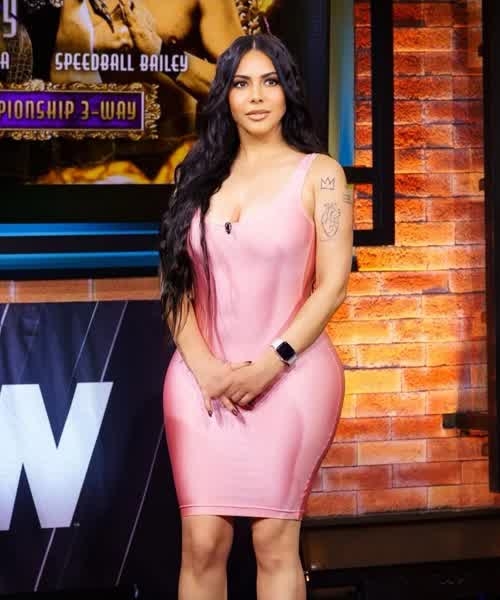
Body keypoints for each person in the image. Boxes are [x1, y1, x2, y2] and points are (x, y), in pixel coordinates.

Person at [159, 33, 353, 600]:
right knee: (201, 544)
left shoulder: (321, 175)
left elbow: (332, 285)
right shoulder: (194, 176)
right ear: (225, 95)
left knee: (273, 542)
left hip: (291, 379)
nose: (257, 96)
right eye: (242, 83)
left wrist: (272, 362)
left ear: (288, 90)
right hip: (201, 382)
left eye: (270, 81)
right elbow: (175, 285)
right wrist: (206, 369)